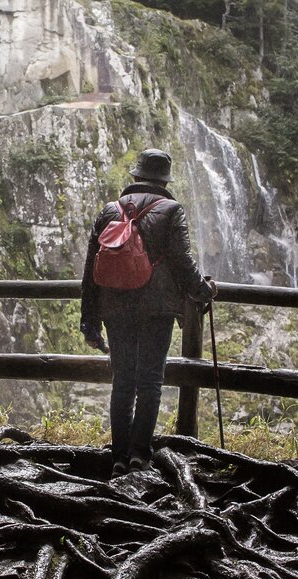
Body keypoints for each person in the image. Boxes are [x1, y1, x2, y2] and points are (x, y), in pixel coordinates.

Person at [79, 148, 215, 475]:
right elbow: (183, 262)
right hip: (157, 308)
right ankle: (140, 454)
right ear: (164, 179)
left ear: (136, 177)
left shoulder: (110, 210)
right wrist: (203, 291)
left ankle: (118, 458)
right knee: (150, 382)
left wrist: (89, 319)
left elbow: (90, 270)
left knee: (123, 381)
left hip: (115, 307)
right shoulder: (171, 210)